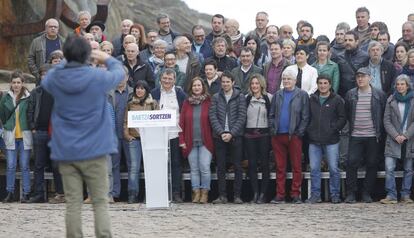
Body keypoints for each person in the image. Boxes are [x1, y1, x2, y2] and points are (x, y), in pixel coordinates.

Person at [41, 35, 124, 237]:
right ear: (87, 55)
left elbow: (49, 77)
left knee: (73, 204)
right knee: (100, 203)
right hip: (95, 150)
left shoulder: (56, 78)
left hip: (67, 151)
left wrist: (67, 61)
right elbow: (119, 72)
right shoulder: (97, 78)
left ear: (66, 56)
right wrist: (105, 57)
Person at [344, 67, 386, 203]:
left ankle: (366, 193)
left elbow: (383, 114)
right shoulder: (350, 94)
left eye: (363, 76)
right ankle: (351, 193)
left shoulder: (379, 95)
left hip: (373, 135)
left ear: (370, 78)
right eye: (358, 77)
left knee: (372, 163)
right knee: (351, 163)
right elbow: (347, 113)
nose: (360, 79)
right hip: (356, 135)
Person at [269, 67, 309, 204]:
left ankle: (295, 194)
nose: (286, 81)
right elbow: (271, 114)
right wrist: (272, 128)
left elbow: (305, 116)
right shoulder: (277, 95)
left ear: (295, 80)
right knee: (280, 167)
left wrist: (300, 132)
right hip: (278, 136)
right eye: (284, 79)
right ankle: (280, 194)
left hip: (294, 136)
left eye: (289, 79)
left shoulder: (302, 95)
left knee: (297, 166)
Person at [27, 64, 65, 203]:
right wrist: (32, 128)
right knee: (38, 165)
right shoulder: (36, 92)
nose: (45, 77)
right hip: (40, 132)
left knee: (56, 164)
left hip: (56, 134)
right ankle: (39, 194)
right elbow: (30, 111)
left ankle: (60, 193)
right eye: (42, 74)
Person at [305, 75, 346, 204]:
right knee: (314, 168)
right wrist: (309, 129)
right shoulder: (312, 99)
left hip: (331, 140)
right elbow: (307, 116)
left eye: (325, 83)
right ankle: (315, 194)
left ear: (330, 84)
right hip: (314, 140)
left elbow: (342, 118)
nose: (322, 85)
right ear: (317, 84)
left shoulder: (337, 99)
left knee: (334, 168)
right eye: (320, 83)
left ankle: (335, 194)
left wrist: (333, 128)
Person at [209, 71, 247, 204]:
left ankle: (237, 195)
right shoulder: (215, 97)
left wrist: (231, 133)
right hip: (219, 136)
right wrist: (221, 133)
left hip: (235, 136)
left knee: (237, 166)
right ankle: (222, 195)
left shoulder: (240, 97)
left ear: (233, 83)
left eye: (227, 82)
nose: (225, 84)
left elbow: (242, 117)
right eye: (223, 82)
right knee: (221, 167)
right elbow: (212, 116)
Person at [151, 68, 187, 202]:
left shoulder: (180, 94)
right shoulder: (154, 93)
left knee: (176, 164)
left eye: (170, 79)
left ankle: (176, 192)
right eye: (164, 78)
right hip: (158, 135)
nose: (167, 81)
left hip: (175, 134)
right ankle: (159, 192)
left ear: (174, 80)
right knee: (159, 165)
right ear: (160, 79)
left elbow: (184, 113)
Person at [179, 77, 214, 204]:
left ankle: (205, 192)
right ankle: (196, 192)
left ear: (203, 87)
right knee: (194, 169)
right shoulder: (186, 103)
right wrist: (181, 140)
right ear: (191, 88)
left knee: (204, 167)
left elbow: (213, 121)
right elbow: (181, 123)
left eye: (199, 85)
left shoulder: (209, 101)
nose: (196, 88)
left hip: (206, 141)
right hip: (190, 141)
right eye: (194, 86)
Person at [380, 74, 414, 204]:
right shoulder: (391, 100)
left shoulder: (412, 100)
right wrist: (396, 135)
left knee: (409, 168)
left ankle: (405, 194)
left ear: (407, 85)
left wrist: (406, 135)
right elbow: (386, 120)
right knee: (389, 167)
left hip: (409, 139)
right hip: (393, 138)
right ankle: (391, 194)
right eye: (398, 84)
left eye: (402, 84)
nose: (400, 87)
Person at [0, 70, 32, 203]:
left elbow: (31, 114)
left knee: (24, 166)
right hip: (11, 135)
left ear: (23, 83)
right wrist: (6, 126)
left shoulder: (29, 97)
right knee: (11, 165)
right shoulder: (6, 97)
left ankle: (26, 193)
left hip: (24, 135)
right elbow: (2, 115)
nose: (16, 85)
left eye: (19, 82)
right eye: (14, 82)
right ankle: (10, 192)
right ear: (11, 84)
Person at [124, 80, 158, 203]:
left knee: (150, 168)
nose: (139, 90)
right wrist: (127, 135)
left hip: (149, 139)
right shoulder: (130, 104)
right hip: (134, 139)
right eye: (137, 88)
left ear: (146, 90)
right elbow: (125, 122)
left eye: (142, 88)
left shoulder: (153, 104)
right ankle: (132, 194)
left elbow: (158, 120)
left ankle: (149, 195)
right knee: (134, 167)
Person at [245, 74, 272, 204]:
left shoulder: (269, 98)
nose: (254, 86)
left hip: (264, 134)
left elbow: (272, 115)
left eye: (257, 83)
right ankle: (255, 192)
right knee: (252, 164)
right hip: (249, 135)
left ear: (261, 84)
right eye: (252, 84)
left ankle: (263, 193)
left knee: (265, 164)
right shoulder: (246, 99)